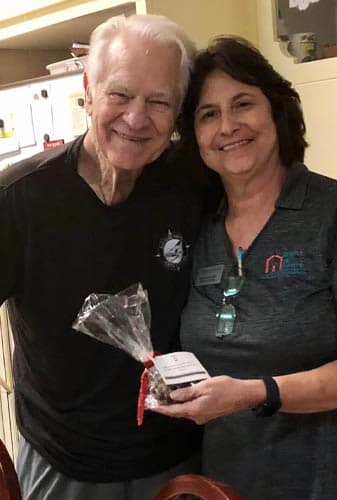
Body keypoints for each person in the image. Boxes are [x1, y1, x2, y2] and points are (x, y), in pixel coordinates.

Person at [0, 14, 213, 500]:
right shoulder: (18, 197)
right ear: (88, 90)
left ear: (178, 110)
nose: (136, 119)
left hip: (178, 457)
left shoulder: (193, 183)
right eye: (119, 94)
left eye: (158, 101)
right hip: (64, 463)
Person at [152, 36, 337, 500]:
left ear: (277, 110)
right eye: (208, 114)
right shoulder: (200, 229)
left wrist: (259, 392)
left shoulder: (327, 214)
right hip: (226, 484)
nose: (228, 126)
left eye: (243, 104)